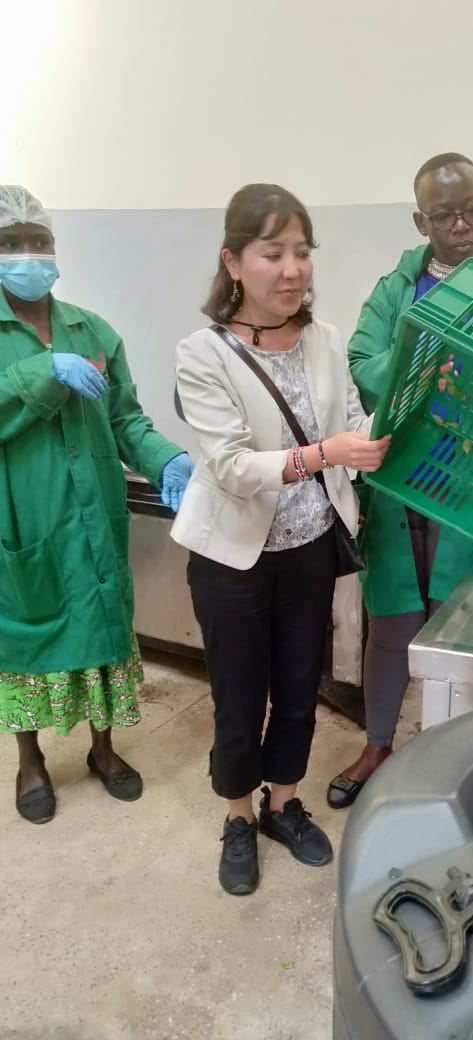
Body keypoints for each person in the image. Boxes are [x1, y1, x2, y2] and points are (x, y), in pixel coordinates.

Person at [172, 183, 390, 895]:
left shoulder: (326, 341)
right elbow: (233, 468)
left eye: (302, 252)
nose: (292, 269)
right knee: (240, 697)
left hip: (310, 548)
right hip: (233, 559)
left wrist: (386, 424)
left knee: (299, 687)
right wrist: (328, 453)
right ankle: (238, 816)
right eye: (273, 253)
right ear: (233, 262)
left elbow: (352, 422)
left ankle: (283, 804)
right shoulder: (202, 355)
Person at [327, 153, 473, 809]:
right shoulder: (396, 291)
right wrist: (426, 350)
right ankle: (378, 744)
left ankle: (447, 759)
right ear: (421, 222)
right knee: (392, 621)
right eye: (445, 216)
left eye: (471, 210)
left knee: (456, 628)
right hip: (399, 481)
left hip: (471, 487)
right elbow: (362, 363)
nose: (461, 225)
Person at [0, 184, 193, 824]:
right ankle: (30, 760)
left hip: (93, 517)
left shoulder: (93, 330)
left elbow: (125, 419)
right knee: (24, 637)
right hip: (24, 518)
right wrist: (43, 372)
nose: (27, 254)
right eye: (10, 243)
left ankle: (103, 751)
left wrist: (166, 457)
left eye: (38, 240)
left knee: (104, 627)